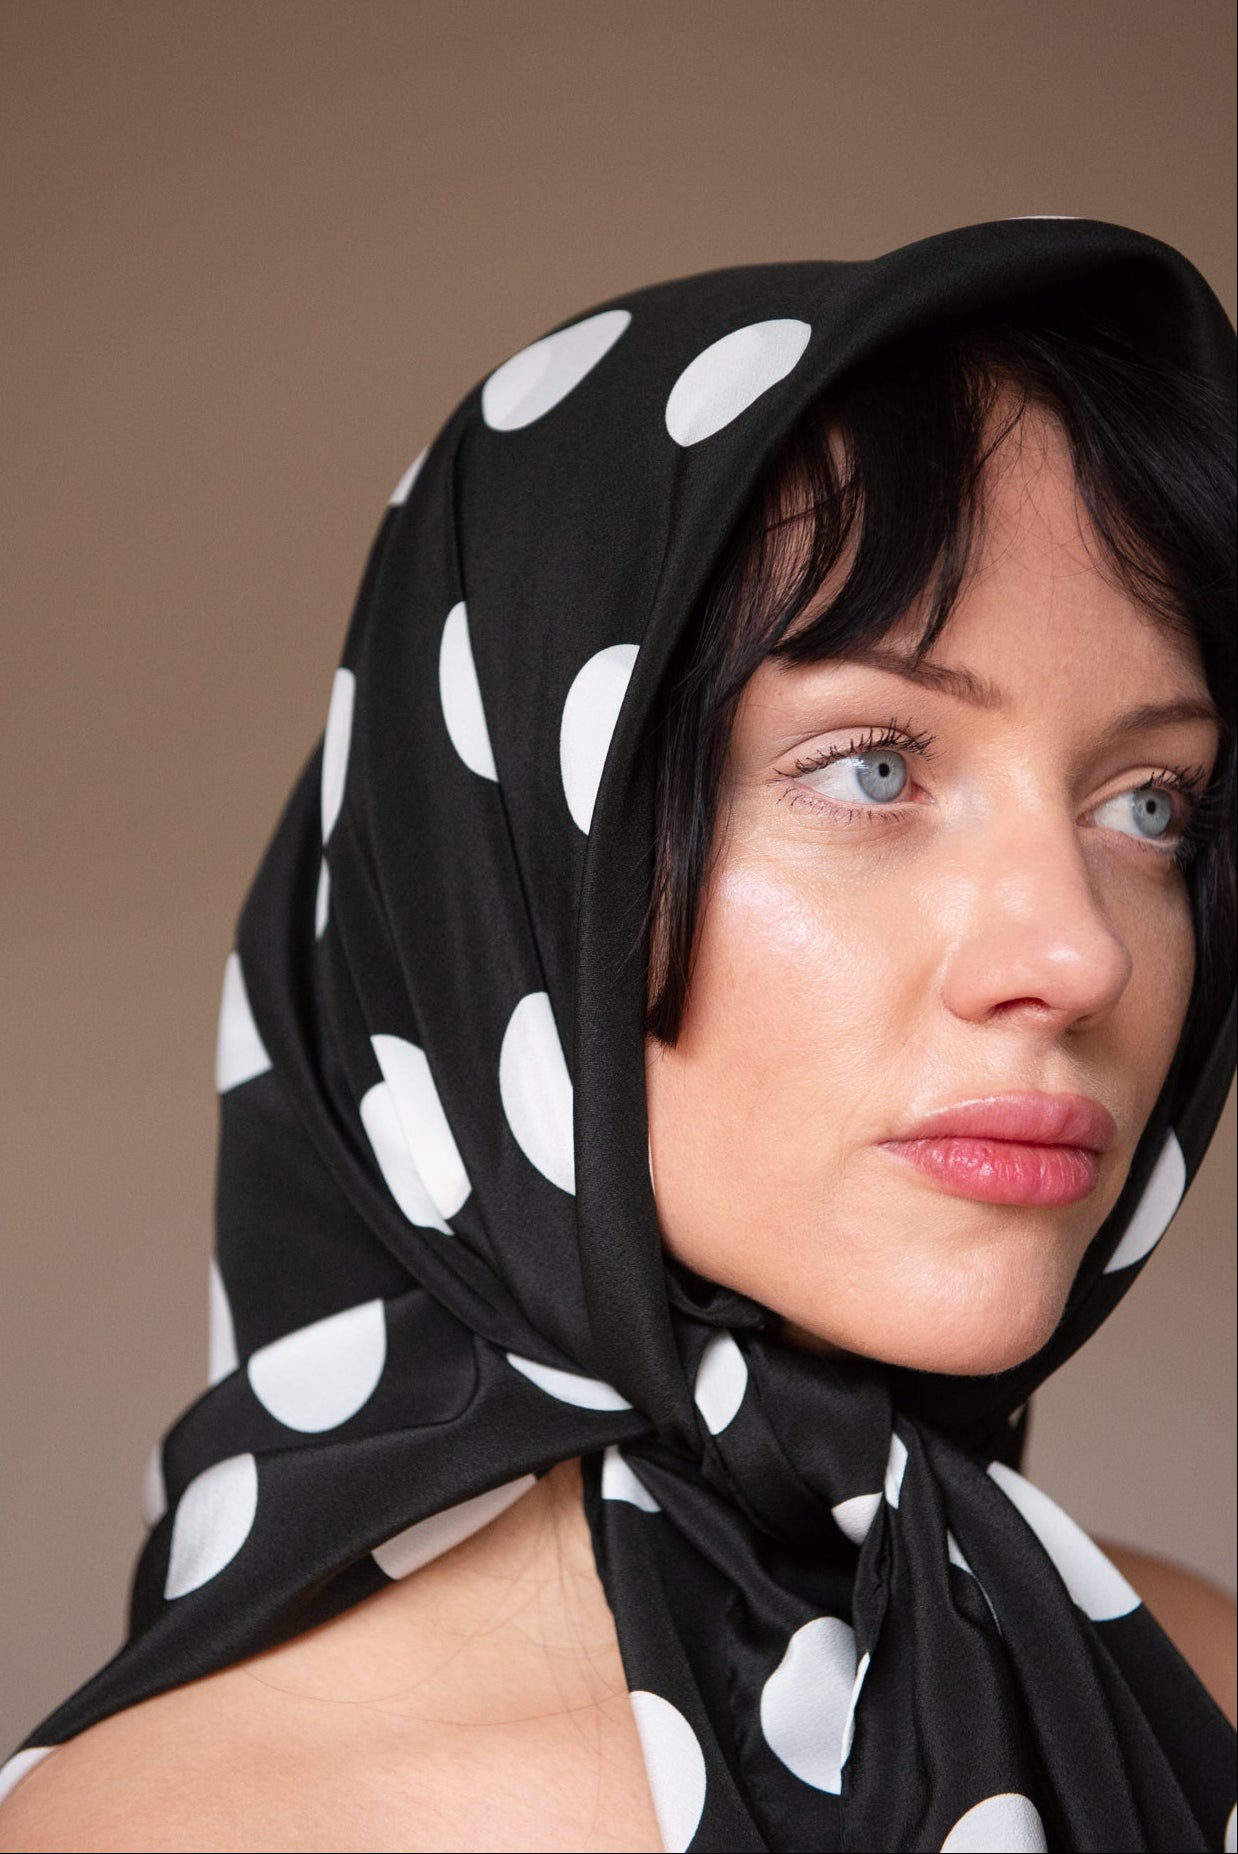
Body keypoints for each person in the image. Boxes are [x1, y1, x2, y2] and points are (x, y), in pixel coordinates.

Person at [0, 218, 1234, 1854]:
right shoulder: (193, 1827)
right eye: (873, 764)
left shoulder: (1190, 1686)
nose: (1074, 951)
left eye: (1147, 802)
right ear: (507, 871)